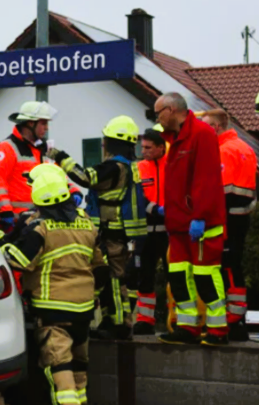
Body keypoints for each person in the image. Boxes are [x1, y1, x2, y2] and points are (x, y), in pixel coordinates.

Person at [1, 165, 108, 405]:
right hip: (85, 310)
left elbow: (17, 261)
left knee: (59, 367)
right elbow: (101, 269)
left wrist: (5, 238)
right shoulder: (87, 224)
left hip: (52, 312)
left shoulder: (41, 229)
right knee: (79, 363)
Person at [47, 116, 146, 340]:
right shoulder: (131, 166)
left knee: (114, 277)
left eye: (106, 140)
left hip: (114, 231)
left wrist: (60, 157)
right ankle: (113, 321)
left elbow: (85, 178)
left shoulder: (113, 167)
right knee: (112, 276)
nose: (104, 144)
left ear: (113, 141)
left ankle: (119, 324)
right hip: (126, 232)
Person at [153, 93, 228, 346]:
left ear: (171, 110)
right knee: (179, 277)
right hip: (179, 224)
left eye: (158, 113)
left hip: (200, 224)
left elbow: (206, 179)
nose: (157, 119)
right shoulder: (175, 138)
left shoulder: (201, 134)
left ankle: (218, 331)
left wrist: (200, 216)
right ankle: (187, 327)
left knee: (205, 276)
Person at [198, 109, 257, 341]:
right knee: (235, 267)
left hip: (226, 219)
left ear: (216, 127)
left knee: (226, 269)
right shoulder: (245, 148)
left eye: (206, 127)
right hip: (241, 217)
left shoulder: (223, 151)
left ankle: (231, 319)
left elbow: (219, 192)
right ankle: (237, 317)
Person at [0, 101, 82, 232]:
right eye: (43, 123)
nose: (47, 128)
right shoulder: (6, 148)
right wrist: (6, 212)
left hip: (42, 218)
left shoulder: (44, 149)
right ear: (30, 123)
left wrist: (73, 190)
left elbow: (57, 176)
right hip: (17, 222)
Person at [131, 127, 169, 335]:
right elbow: (137, 197)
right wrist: (154, 209)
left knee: (175, 277)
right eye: (142, 147)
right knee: (145, 276)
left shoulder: (172, 165)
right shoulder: (138, 168)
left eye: (148, 147)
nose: (143, 150)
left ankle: (177, 320)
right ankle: (145, 320)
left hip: (171, 230)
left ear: (161, 148)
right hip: (147, 231)